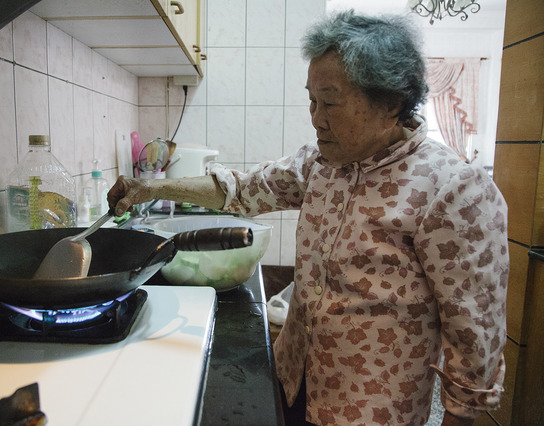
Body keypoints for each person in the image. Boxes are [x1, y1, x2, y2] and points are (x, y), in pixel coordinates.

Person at [108, 10, 508, 426]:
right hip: (293, 377)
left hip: (369, 408)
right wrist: (148, 189)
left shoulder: (455, 190)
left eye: (330, 103)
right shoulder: (322, 163)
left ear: (390, 103)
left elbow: (474, 331)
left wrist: (459, 416)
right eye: (311, 100)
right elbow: (242, 189)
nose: (315, 117)